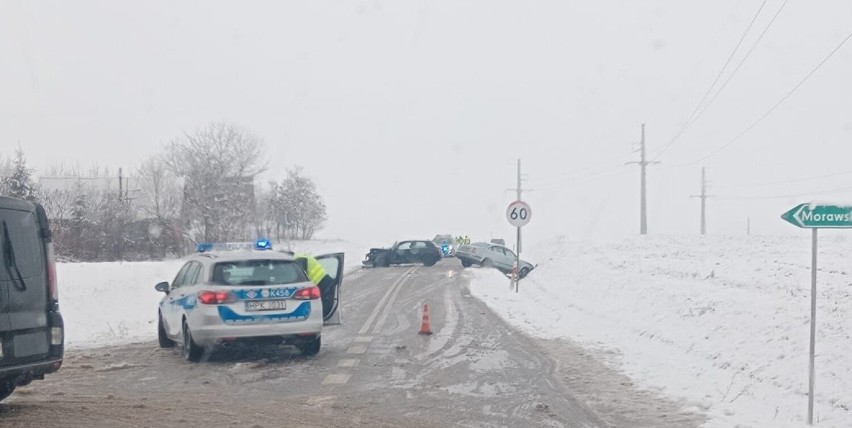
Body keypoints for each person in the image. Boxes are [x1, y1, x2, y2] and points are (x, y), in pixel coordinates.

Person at [294, 253, 336, 320]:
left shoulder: (299, 260)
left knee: (321, 314)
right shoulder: (299, 257)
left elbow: (300, 280)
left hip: (323, 284)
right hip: (323, 283)